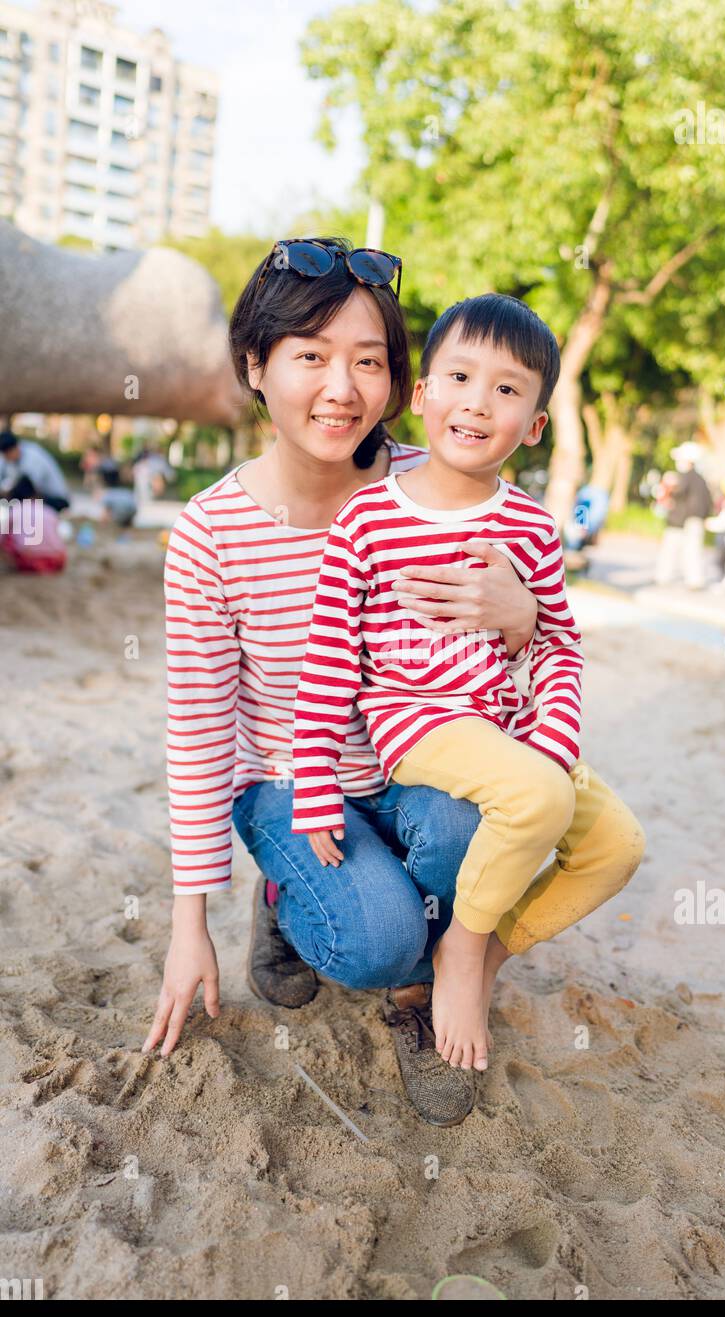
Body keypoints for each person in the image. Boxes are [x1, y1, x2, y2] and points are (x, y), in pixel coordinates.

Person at [143, 236, 644, 1129]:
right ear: (256, 364)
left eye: (367, 361)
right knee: (374, 939)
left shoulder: (437, 478)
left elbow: (538, 633)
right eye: (309, 357)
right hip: (294, 783)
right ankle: (289, 899)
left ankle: (431, 990)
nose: (341, 389)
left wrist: (521, 616)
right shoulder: (211, 534)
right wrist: (189, 927)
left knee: (476, 828)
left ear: (398, 382)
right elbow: (196, 731)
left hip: (424, 766)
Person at [290, 293, 645, 1082]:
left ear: (535, 426)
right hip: (418, 724)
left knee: (616, 846)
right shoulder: (368, 520)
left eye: (509, 389)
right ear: (422, 396)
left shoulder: (530, 527)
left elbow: (556, 644)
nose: (478, 403)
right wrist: (312, 779)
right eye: (459, 376)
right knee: (535, 801)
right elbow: (326, 662)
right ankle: (459, 948)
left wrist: (551, 745)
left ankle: (479, 952)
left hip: (511, 733)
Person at [654, 441, 713, 589]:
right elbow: (708, 502)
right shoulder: (701, 480)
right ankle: (695, 580)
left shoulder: (684, 477)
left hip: (680, 521)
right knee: (693, 551)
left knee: (670, 549)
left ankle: (663, 577)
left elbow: (676, 495)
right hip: (696, 520)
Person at [0, 430, 71, 512]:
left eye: (7, 455)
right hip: (41, 497)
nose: (6, 458)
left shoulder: (33, 456)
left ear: (13, 448)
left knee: (21, 491)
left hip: (57, 500)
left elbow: (28, 487)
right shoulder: (13, 458)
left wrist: (8, 494)